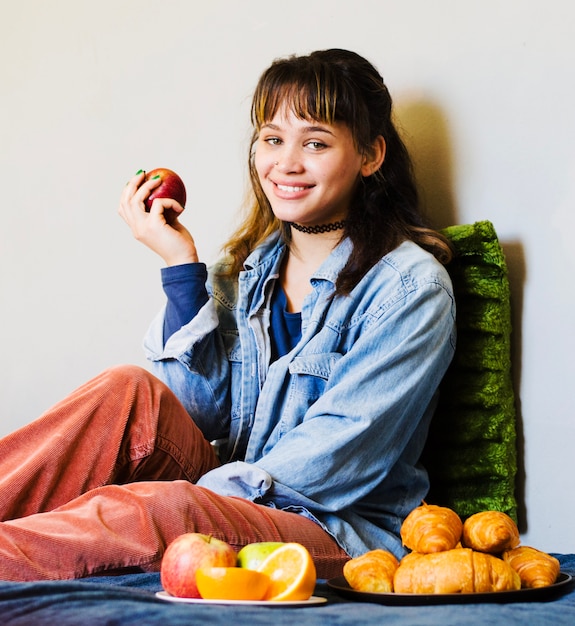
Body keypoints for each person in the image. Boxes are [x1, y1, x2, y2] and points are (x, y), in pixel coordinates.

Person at [0, 48, 455, 582]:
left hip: (333, 526)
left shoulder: (411, 289)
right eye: (272, 139)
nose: (286, 163)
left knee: (161, 510)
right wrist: (180, 266)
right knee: (126, 392)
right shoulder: (250, 270)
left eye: (315, 142)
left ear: (370, 156)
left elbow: (335, 462)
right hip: (239, 490)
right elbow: (196, 412)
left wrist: (190, 495)